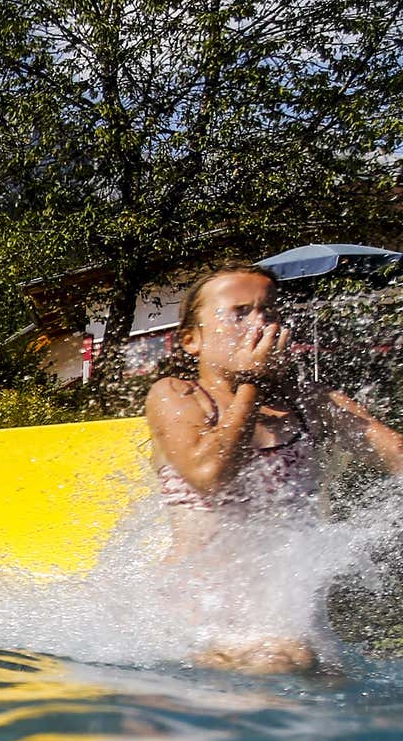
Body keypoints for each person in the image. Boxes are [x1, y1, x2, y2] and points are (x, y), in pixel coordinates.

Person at [145, 264, 403, 673]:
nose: (260, 323)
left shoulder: (308, 401)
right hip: (201, 610)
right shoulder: (176, 396)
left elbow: (396, 455)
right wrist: (251, 383)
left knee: (318, 670)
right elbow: (210, 475)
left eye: (270, 311)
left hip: (282, 615)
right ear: (192, 340)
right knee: (283, 661)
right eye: (240, 312)